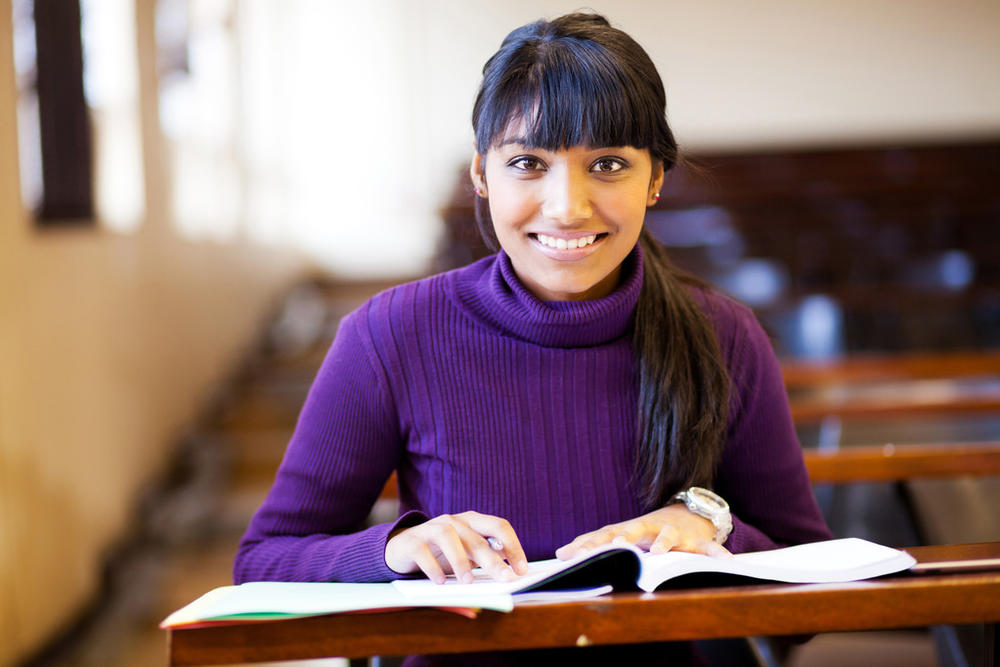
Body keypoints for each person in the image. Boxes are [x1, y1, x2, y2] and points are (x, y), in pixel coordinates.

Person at [234, 12, 831, 665]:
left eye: (607, 164)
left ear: (656, 178)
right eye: (527, 163)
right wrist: (390, 550)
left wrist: (713, 526)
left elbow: (809, 592)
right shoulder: (390, 336)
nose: (567, 206)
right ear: (482, 176)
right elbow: (262, 562)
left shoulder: (723, 334)